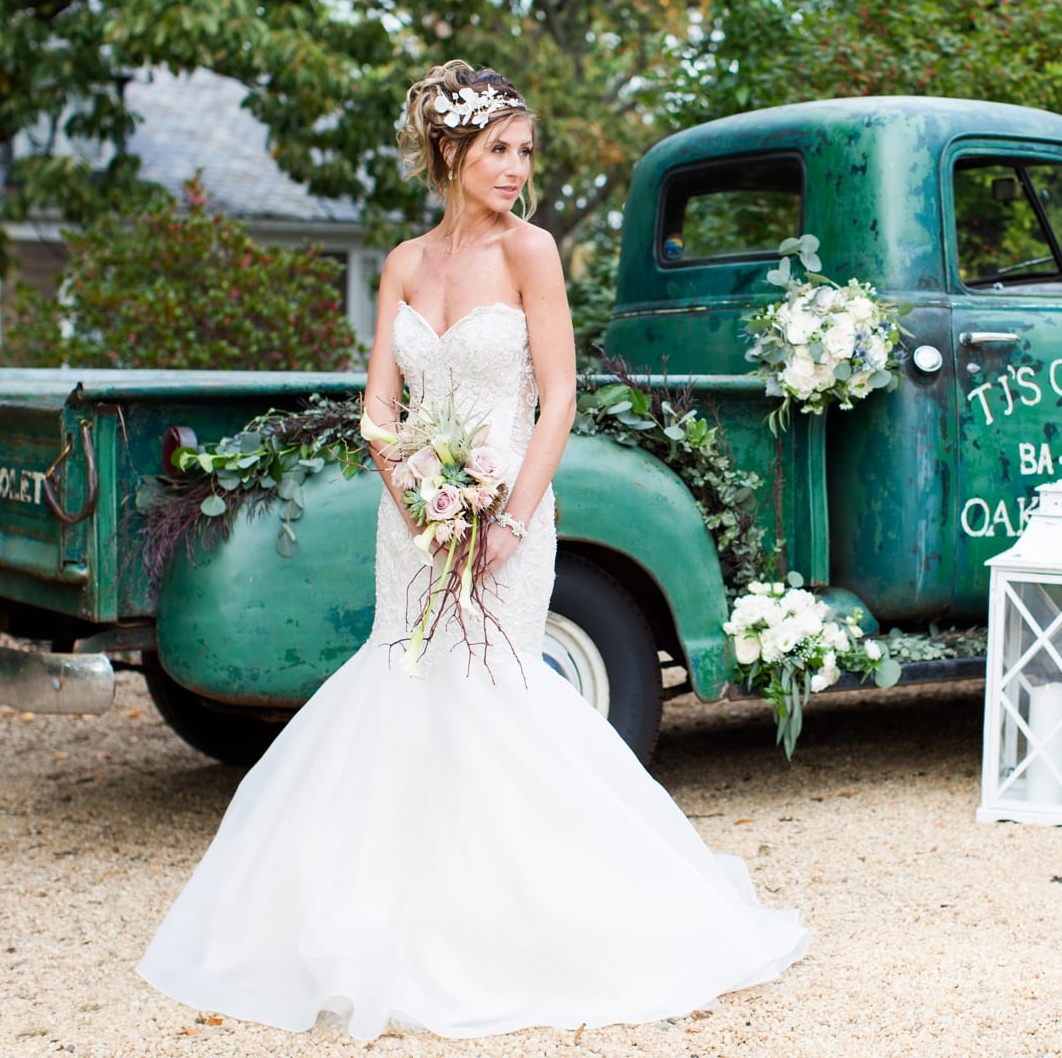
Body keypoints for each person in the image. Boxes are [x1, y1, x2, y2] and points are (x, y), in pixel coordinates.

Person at [137, 60, 809, 1040]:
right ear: (451, 152)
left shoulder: (531, 252)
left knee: (497, 699)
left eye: (525, 150)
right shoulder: (407, 265)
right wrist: (417, 504)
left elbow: (558, 397)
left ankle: (531, 923)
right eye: (500, 148)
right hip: (411, 524)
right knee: (404, 692)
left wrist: (506, 518)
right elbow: (379, 411)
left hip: (508, 518)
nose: (516, 167)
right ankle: (388, 922)